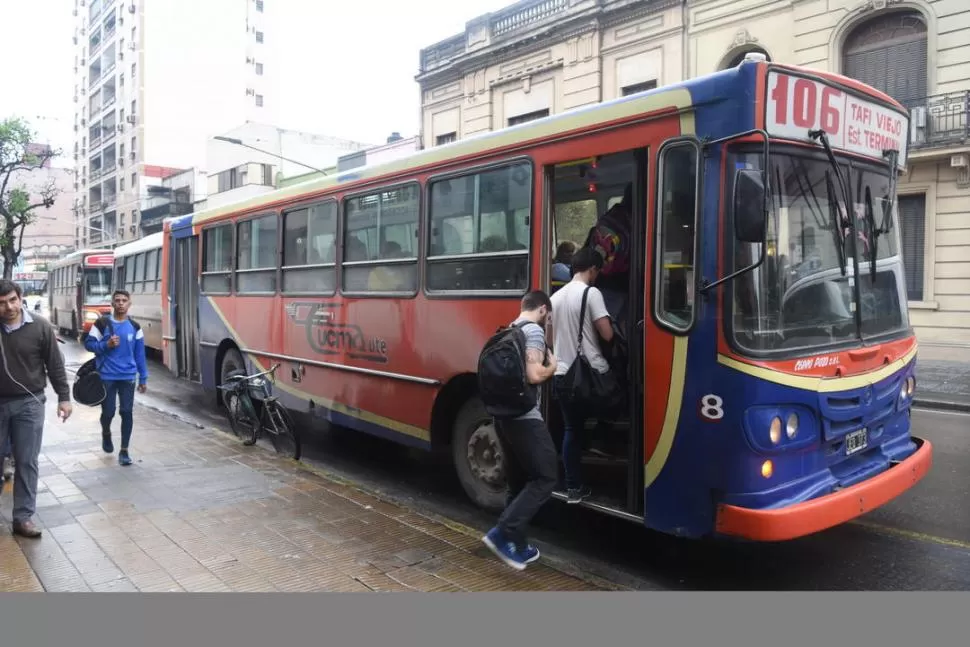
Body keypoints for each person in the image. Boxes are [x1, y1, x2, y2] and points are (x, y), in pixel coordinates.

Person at [481, 290, 558, 571]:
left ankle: (519, 545)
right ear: (542, 310)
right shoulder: (534, 333)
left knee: (518, 481)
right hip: (526, 417)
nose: (546, 321)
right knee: (546, 476)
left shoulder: (508, 331)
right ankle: (502, 533)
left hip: (503, 418)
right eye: (547, 317)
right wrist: (553, 365)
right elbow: (535, 374)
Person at [0, 279, 72, 538]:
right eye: (2, 303)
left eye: (12, 300)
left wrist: (64, 397)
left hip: (29, 402)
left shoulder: (40, 326)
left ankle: (23, 517)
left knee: (26, 461)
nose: (8, 307)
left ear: (20, 298)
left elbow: (55, 365)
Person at [549, 248, 615, 503]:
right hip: (591, 373)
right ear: (592, 269)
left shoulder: (555, 297)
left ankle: (574, 488)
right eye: (597, 271)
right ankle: (600, 438)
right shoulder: (592, 293)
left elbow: (549, 338)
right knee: (617, 401)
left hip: (563, 375)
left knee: (571, 429)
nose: (597, 276)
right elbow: (607, 334)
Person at [84, 289, 148, 467]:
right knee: (109, 412)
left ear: (129, 304)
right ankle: (106, 432)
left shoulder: (135, 327)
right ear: (112, 303)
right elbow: (88, 344)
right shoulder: (102, 324)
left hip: (128, 376)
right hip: (107, 376)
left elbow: (140, 355)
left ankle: (124, 450)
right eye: (117, 300)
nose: (121, 303)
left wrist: (143, 378)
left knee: (126, 412)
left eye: (124, 300)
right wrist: (106, 345)